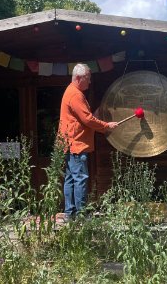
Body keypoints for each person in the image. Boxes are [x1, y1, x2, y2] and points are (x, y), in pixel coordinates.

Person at [58, 63, 118, 220]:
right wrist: (106, 126)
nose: (90, 82)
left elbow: (82, 117)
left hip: (68, 143)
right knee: (80, 178)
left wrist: (95, 115)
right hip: (76, 143)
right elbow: (87, 119)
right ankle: (81, 214)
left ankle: (70, 213)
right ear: (79, 78)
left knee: (71, 179)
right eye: (88, 78)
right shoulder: (76, 95)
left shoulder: (70, 91)